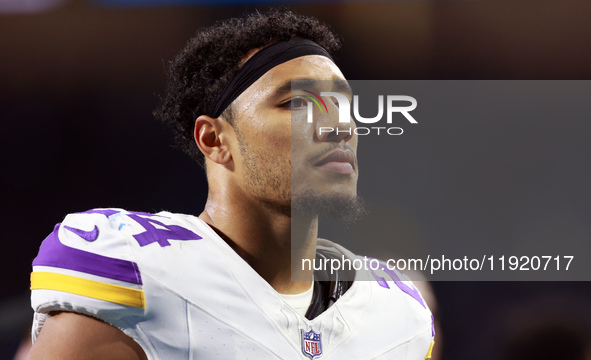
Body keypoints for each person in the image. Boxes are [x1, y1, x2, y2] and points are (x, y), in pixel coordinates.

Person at [26, 9, 434, 359]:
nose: (337, 125)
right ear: (214, 140)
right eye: (296, 103)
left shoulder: (397, 313)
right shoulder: (135, 270)